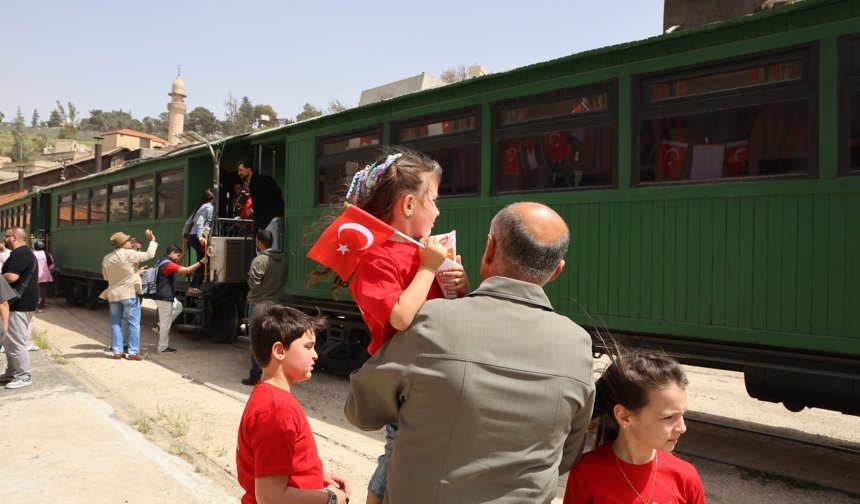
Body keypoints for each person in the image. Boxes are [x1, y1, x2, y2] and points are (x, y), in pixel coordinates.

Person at [345, 202, 594, 504]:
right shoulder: (578, 345)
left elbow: (361, 411)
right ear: (556, 272)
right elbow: (567, 453)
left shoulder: (432, 321)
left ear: (488, 250)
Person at [335, 147, 468, 504]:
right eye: (434, 200)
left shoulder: (425, 252)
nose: (439, 210)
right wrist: (427, 268)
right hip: (407, 376)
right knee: (397, 452)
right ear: (409, 205)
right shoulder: (375, 258)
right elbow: (400, 316)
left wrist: (460, 285)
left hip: (437, 370)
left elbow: (451, 310)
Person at [236, 304, 350, 504]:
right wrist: (331, 499)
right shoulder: (277, 411)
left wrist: (315, 474)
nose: (315, 354)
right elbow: (271, 497)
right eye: (308, 346)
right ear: (279, 351)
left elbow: (277, 463)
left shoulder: (270, 398)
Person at [563, 352, 706, 504]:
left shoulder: (685, 476)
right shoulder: (586, 472)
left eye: (682, 415)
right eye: (668, 417)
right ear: (624, 416)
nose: (682, 428)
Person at [102, 229, 158, 360]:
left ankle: (117, 351)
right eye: (128, 241)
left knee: (116, 323)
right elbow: (149, 254)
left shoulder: (107, 258)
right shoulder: (129, 254)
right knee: (133, 323)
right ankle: (133, 352)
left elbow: (106, 277)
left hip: (113, 294)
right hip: (129, 293)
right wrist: (153, 240)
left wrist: (132, 273)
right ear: (124, 244)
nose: (129, 242)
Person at [240, 230, 286, 386]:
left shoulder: (260, 260)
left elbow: (254, 282)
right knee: (273, 340)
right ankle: (273, 373)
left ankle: (255, 375)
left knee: (256, 340)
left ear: (259, 242)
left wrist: (250, 278)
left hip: (259, 303)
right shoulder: (281, 259)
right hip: (276, 303)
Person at [0, 227, 40, 389]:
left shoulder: (21, 254)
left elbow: (12, 277)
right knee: (9, 340)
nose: (4, 240)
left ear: (15, 238)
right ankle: (12, 372)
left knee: (15, 341)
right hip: (20, 302)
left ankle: (24, 375)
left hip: (19, 303)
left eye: (7, 236)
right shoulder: (23, 253)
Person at [150, 244, 208, 354]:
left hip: (162, 295)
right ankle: (162, 348)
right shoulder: (169, 265)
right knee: (165, 323)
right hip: (164, 297)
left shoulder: (161, 260)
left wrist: (179, 258)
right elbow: (187, 270)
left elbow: (172, 265)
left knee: (178, 307)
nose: (178, 257)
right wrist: (201, 262)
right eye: (177, 255)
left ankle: (158, 327)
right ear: (171, 254)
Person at [236, 160, 285, 251]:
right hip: (270, 219)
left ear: (249, 169)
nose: (239, 173)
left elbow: (262, 202)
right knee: (265, 250)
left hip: (270, 219)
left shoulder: (258, 181)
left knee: (270, 251)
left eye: (241, 170)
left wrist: (252, 209)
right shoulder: (258, 180)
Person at [183, 188, 215, 295]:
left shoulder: (199, 206)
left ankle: (194, 285)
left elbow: (189, 222)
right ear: (213, 198)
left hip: (193, 236)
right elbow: (200, 222)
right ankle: (194, 287)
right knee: (204, 261)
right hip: (198, 237)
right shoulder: (208, 207)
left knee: (201, 260)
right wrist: (201, 236)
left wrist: (185, 233)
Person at [32, 239, 55, 313]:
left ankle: (33, 306)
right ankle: (40, 308)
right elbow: (51, 266)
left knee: (33, 291)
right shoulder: (47, 254)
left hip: (33, 276)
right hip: (44, 276)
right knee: (43, 292)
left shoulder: (31, 254)